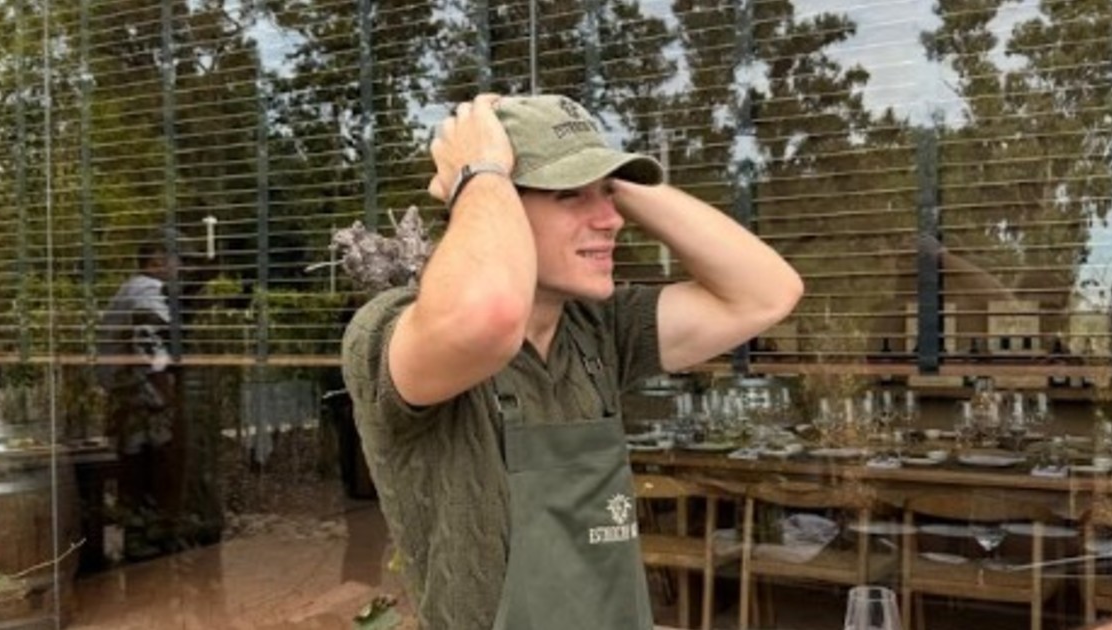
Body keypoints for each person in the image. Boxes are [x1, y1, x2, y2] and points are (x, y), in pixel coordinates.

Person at [341, 94, 804, 630]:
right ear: (501, 207)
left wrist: (607, 175)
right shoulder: (391, 333)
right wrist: (480, 171)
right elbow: (489, 316)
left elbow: (766, 293)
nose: (612, 220)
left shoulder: (598, 329)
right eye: (570, 195)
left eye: (608, 195)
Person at [95, 230, 185, 560]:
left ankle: (140, 536)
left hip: (128, 395)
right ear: (157, 261)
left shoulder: (129, 290)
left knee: (134, 465)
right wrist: (168, 394)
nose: (180, 267)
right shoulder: (147, 291)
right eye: (176, 260)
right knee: (150, 464)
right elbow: (152, 348)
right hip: (142, 397)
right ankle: (147, 537)